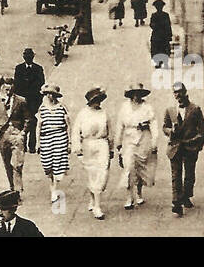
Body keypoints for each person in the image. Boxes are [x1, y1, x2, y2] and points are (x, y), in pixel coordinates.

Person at [163, 82, 204, 217]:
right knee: (176, 175)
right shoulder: (170, 110)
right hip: (175, 147)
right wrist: (171, 131)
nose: (178, 96)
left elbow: (203, 131)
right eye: (175, 93)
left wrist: (196, 144)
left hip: (190, 147)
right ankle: (176, 203)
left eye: (180, 92)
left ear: (185, 92)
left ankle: (186, 196)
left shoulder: (195, 109)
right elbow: (165, 127)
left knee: (189, 175)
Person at [113, 82, 158, 210]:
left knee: (140, 168)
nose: (136, 96)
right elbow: (120, 125)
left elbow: (153, 124)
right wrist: (118, 143)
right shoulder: (124, 107)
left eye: (139, 94)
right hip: (128, 139)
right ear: (131, 95)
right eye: (134, 94)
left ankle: (138, 192)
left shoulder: (147, 107)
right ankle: (129, 196)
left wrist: (154, 141)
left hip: (144, 138)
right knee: (129, 168)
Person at [71, 86, 112, 219]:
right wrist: (77, 149)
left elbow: (110, 131)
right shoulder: (83, 113)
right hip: (88, 145)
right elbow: (76, 131)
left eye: (99, 100)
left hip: (102, 145)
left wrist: (111, 148)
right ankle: (95, 204)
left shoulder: (104, 113)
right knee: (92, 174)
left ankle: (96, 202)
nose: (97, 103)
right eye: (95, 100)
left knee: (103, 174)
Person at [0, 75, 32, 192]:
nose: (8, 91)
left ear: (14, 88)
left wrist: (23, 133)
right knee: (7, 163)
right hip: (2, 136)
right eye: (6, 89)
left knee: (17, 164)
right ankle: (12, 187)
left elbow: (28, 118)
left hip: (16, 135)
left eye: (10, 89)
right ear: (2, 88)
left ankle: (17, 191)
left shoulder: (21, 101)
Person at [34, 84, 70, 205]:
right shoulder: (42, 108)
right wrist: (37, 142)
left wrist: (69, 142)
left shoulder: (62, 108)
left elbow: (68, 125)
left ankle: (54, 188)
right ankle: (51, 181)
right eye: (48, 94)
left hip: (60, 137)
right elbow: (38, 126)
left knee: (58, 163)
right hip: (46, 138)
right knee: (47, 163)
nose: (50, 96)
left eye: (52, 94)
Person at [12, 49, 45, 152]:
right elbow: (17, 84)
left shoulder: (38, 69)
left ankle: (32, 146)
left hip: (34, 101)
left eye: (30, 56)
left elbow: (41, 84)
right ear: (24, 57)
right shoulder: (19, 68)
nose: (28, 58)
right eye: (26, 56)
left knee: (33, 122)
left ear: (33, 57)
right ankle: (23, 145)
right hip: (23, 101)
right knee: (22, 123)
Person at [150, 0, 173, 67]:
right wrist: (169, 34)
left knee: (156, 48)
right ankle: (164, 62)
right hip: (164, 35)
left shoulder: (154, 15)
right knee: (164, 48)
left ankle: (158, 62)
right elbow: (168, 25)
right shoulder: (165, 15)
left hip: (157, 34)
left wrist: (155, 26)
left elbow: (151, 25)